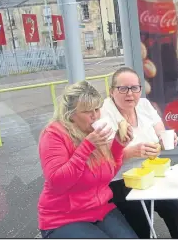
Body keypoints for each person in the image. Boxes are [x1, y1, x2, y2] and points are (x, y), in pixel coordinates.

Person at [101, 67, 178, 239]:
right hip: (121, 180)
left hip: (151, 173)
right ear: (112, 92)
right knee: (141, 223)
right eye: (123, 88)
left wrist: (165, 139)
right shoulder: (104, 113)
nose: (130, 94)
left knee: (174, 209)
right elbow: (103, 157)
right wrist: (131, 152)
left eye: (134, 88)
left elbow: (160, 131)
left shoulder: (143, 105)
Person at [37, 81, 138, 239]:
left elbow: (107, 174)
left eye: (97, 109)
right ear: (70, 114)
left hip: (99, 209)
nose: (95, 116)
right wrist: (86, 148)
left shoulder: (94, 132)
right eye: (87, 111)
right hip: (62, 218)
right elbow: (57, 182)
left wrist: (118, 145)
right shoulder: (54, 134)